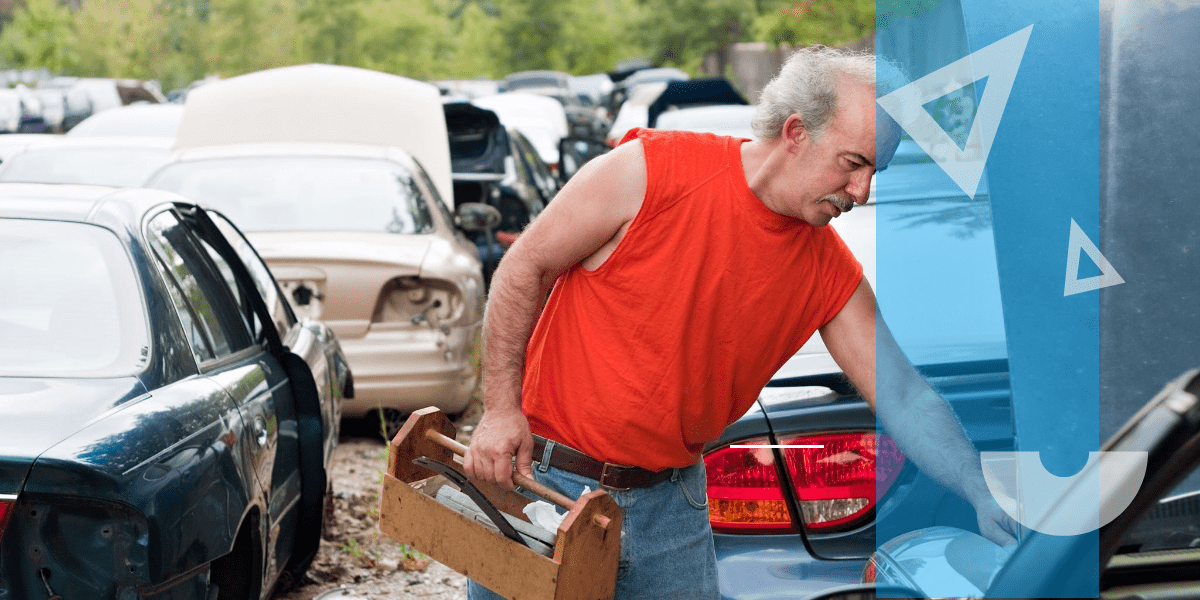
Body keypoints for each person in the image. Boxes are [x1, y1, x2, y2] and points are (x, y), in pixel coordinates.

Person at [463, 46, 1019, 599]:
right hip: (544, 485)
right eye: (854, 163)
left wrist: (978, 487)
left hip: (672, 513)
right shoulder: (650, 172)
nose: (862, 192)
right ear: (796, 132)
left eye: (876, 171)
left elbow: (903, 395)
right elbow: (524, 269)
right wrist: (499, 410)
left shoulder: (829, 270)